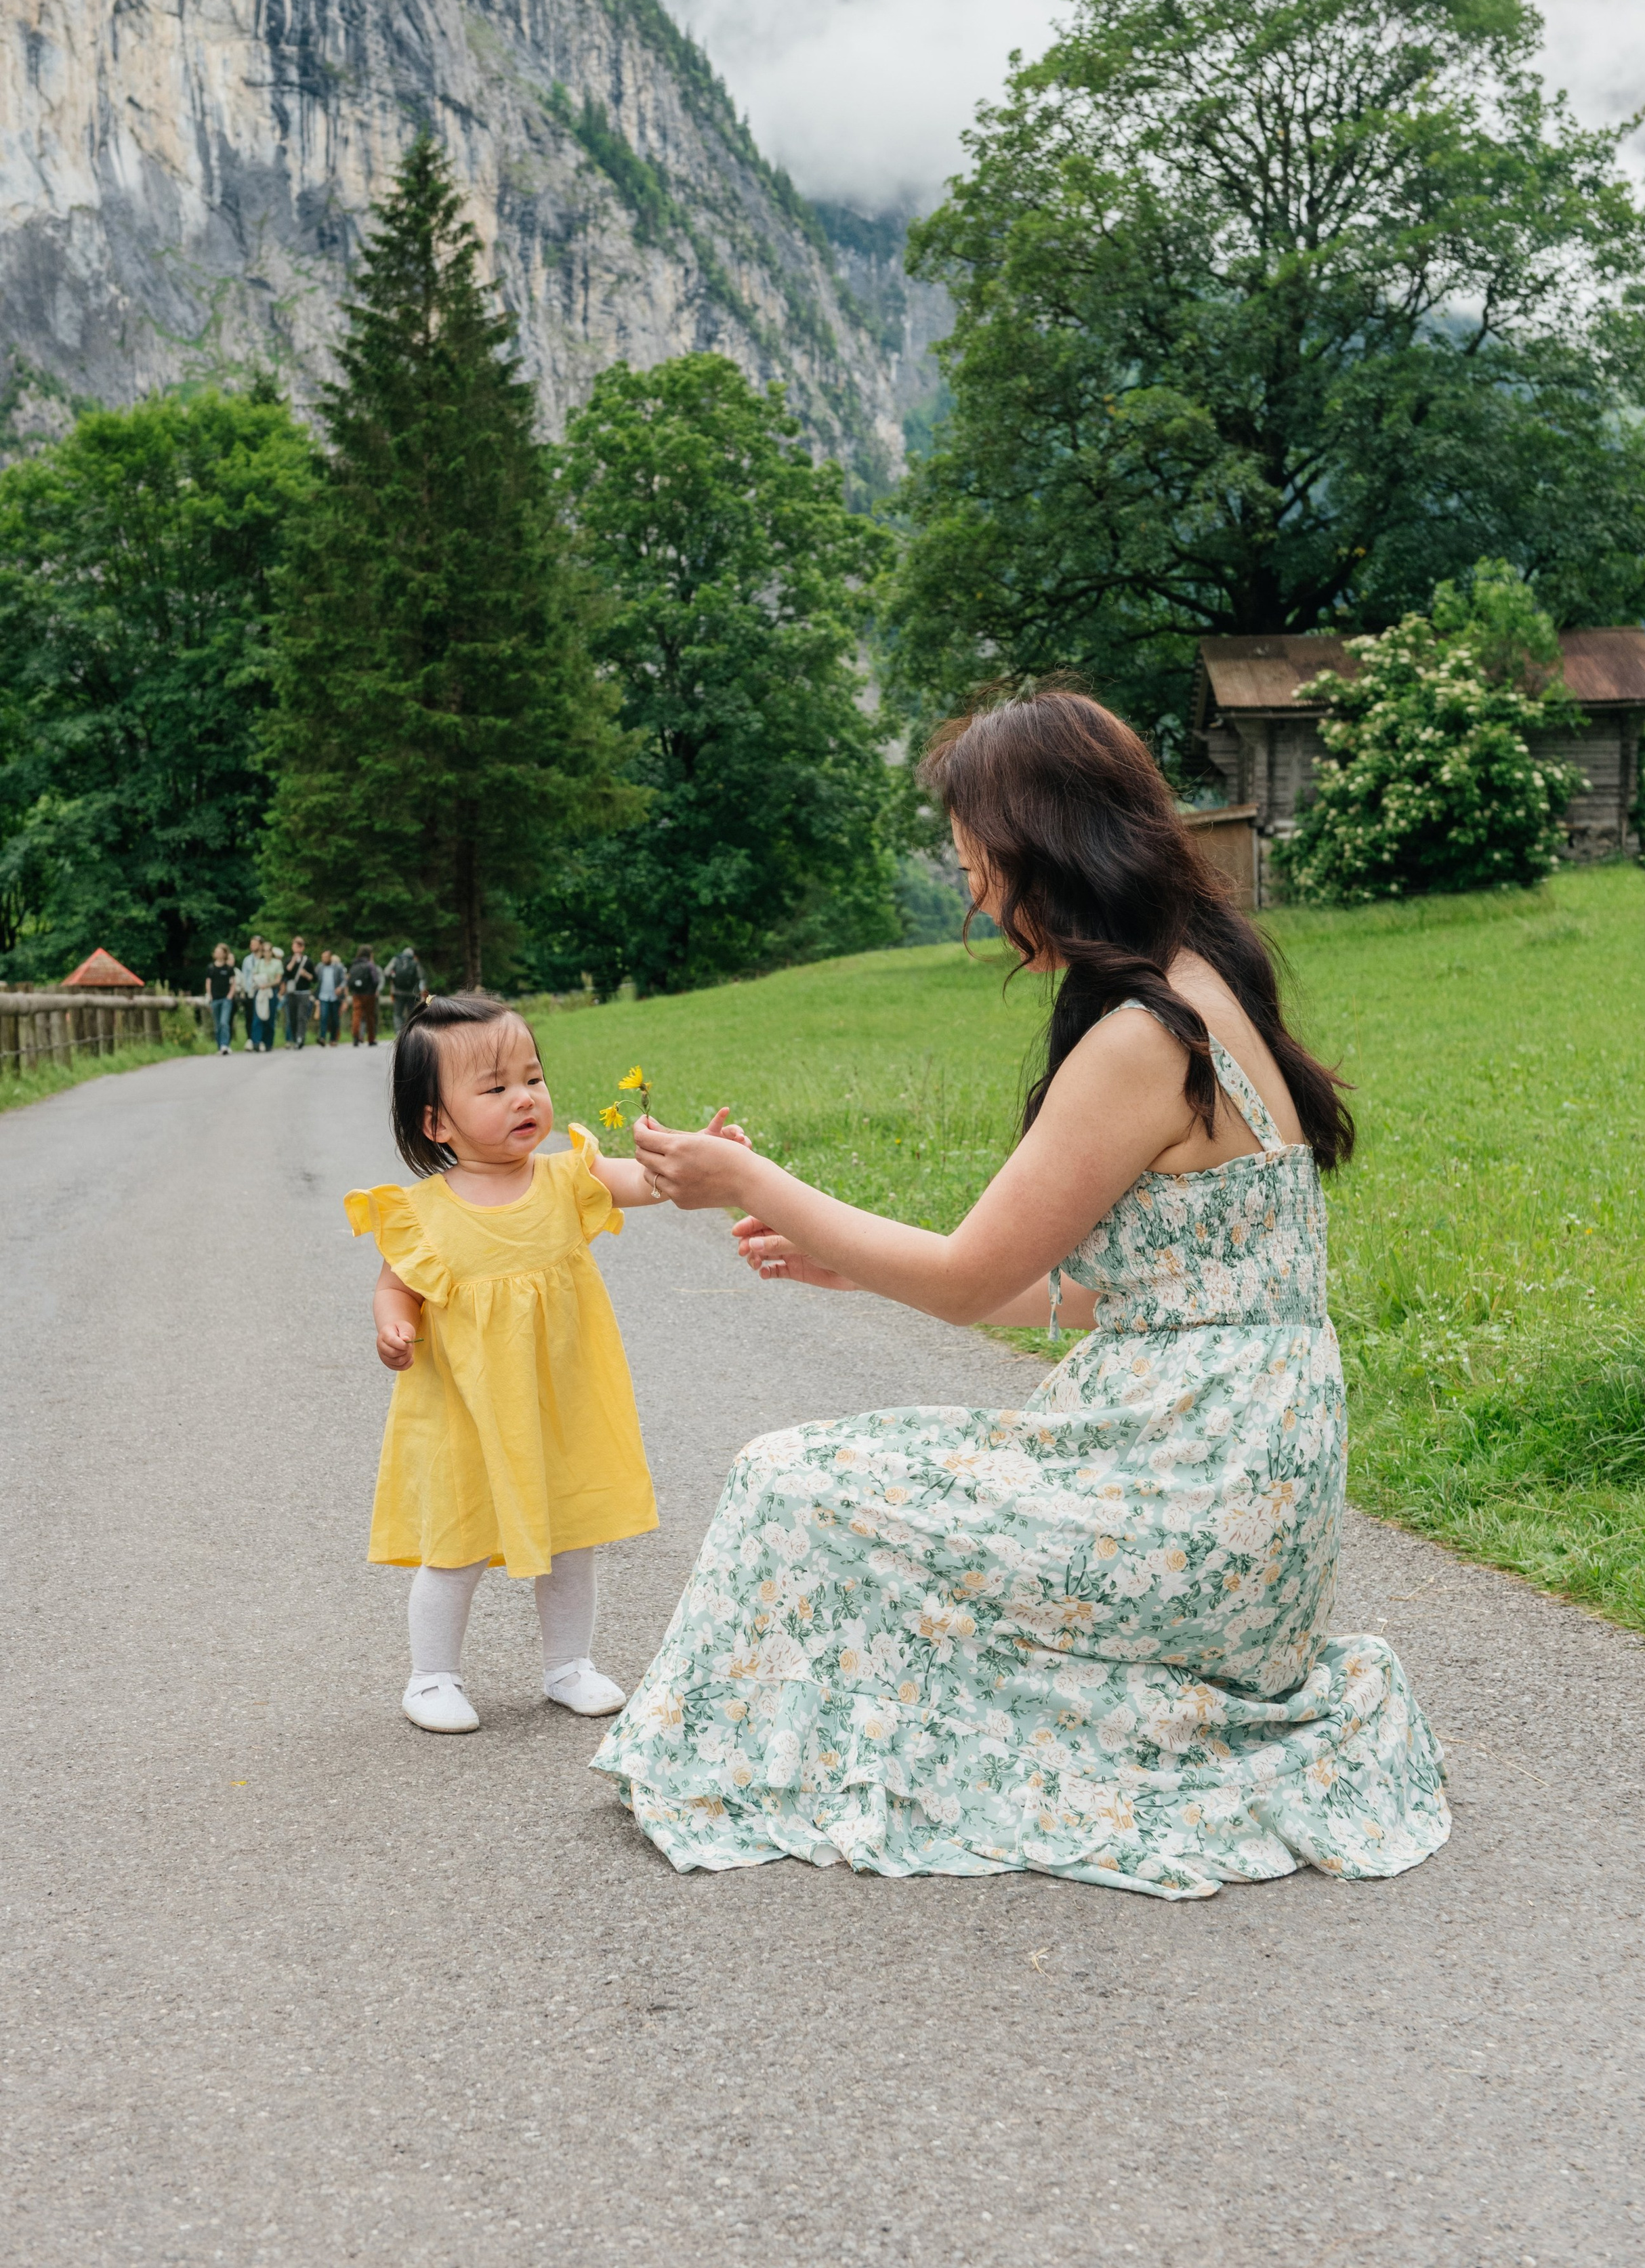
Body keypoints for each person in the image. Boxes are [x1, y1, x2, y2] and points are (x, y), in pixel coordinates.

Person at [600, 687, 1451, 1899]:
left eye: (977, 867)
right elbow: (1141, 1292)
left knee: (786, 1481)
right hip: (1240, 1480)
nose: (977, 900)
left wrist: (748, 1178)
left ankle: (792, 1760)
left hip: (1198, 1492)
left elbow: (965, 1280)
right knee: (850, 1486)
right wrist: (849, 1263)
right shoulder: (1207, 976)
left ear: (1046, 852)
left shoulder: (1144, 1038)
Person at [345, 994, 749, 1735]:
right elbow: (395, 1284)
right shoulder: (424, 1212)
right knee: (456, 1544)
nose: (524, 1097)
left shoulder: (567, 1177)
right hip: (466, 1413)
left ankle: (569, 1665)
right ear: (436, 1123)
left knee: (571, 1539)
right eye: (495, 1087)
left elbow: (646, 1183)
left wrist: (703, 1160)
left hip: (559, 1401)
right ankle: (431, 1676)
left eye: (532, 1077)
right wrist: (393, 1324)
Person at [203, 944, 239, 1055]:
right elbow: (208, 982)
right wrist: (210, 995)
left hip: (225, 999)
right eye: (216, 952)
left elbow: (233, 983)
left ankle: (225, 1044)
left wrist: (230, 996)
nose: (218, 954)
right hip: (215, 999)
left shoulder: (229, 968)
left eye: (220, 952)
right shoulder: (211, 968)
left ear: (224, 954)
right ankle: (220, 1046)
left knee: (224, 1022)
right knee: (217, 1024)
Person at [281, 937, 317, 1049]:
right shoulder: (288, 960)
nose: (297, 949)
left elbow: (314, 978)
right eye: (295, 946)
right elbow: (285, 974)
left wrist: (306, 974)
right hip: (292, 992)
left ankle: (300, 1038)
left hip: (304, 992)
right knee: (292, 1017)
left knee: (301, 1016)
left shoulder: (308, 961)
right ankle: (295, 1038)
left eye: (299, 947)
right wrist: (293, 962)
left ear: (303, 948)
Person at [386, 942, 425, 1041]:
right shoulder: (415, 962)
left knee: (397, 1014)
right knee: (412, 1013)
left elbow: (386, 972)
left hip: (398, 992)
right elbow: (421, 976)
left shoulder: (396, 960)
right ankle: (411, 1033)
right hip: (412, 993)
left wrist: (393, 977)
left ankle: (399, 1033)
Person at [348, 946, 381, 1046]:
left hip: (356, 994)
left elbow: (350, 980)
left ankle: (355, 1037)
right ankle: (371, 1039)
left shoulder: (354, 964)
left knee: (356, 1014)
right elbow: (375, 980)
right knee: (370, 1016)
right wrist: (374, 990)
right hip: (369, 994)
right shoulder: (370, 965)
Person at [315, 948, 347, 1046]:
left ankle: (333, 1039)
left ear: (330, 957)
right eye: (322, 957)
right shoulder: (320, 967)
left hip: (335, 997)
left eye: (326, 957)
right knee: (324, 1017)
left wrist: (340, 988)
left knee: (334, 1018)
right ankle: (322, 1037)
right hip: (323, 996)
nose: (324, 959)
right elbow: (315, 980)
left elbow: (344, 980)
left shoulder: (338, 967)